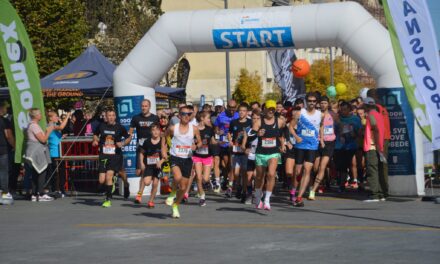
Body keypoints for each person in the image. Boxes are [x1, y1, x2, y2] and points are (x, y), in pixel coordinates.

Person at [164, 105, 202, 218]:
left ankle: (175, 205)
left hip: (187, 159)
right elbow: (164, 137)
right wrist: (163, 150)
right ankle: (172, 194)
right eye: (184, 114)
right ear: (179, 116)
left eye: (189, 114)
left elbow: (199, 142)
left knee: (184, 187)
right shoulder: (173, 128)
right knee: (177, 177)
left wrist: (196, 146)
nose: (187, 116)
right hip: (175, 156)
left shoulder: (194, 128)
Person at [249, 100, 286, 210]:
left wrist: (283, 144)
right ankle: (257, 198)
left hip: (273, 152)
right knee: (259, 177)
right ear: (264, 110)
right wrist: (257, 133)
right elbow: (250, 135)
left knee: (271, 174)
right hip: (261, 153)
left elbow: (283, 133)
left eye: (273, 109)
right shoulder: (259, 122)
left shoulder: (279, 121)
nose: (271, 111)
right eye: (269, 109)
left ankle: (267, 200)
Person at [93, 109, 132, 208]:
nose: (110, 117)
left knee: (112, 175)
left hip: (115, 155)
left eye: (112, 115)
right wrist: (95, 140)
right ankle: (113, 183)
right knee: (101, 180)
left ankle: (108, 198)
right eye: (109, 115)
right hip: (104, 154)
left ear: (115, 116)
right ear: (106, 117)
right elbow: (95, 135)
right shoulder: (101, 126)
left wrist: (122, 143)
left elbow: (129, 137)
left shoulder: (120, 127)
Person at [290, 92, 323, 207]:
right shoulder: (300, 113)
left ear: (316, 102)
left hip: (312, 146)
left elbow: (321, 126)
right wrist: (296, 137)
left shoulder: (320, 114)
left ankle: (299, 197)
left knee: (307, 170)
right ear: (306, 101)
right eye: (310, 101)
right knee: (298, 171)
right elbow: (290, 127)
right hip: (300, 146)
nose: (312, 103)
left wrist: (321, 139)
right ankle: (293, 189)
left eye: (314, 101)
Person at [129, 99, 160, 203]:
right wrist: (127, 139)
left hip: (153, 149)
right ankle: (139, 194)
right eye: (142, 106)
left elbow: (159, 131)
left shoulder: (155, 118)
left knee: (152, 178)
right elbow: (130, 131)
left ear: (149, 107)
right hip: (142, 148)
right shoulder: (136, 118)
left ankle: (149, 198)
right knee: (141, 170)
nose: (144, 107)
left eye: (146, 106)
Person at [24, 108, 55, 202]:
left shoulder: (32, 125)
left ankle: (34, 194)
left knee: (35, 172)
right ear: (36, 116)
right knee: (42, 171)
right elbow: (43, 139)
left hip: (34, 151)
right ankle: (40, 193)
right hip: (37, 152)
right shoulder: (34, 126)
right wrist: (49, 131)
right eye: (40, 114)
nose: (41, 115)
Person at [308, 96, 336, 200]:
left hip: (329, 143)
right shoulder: (317, 114)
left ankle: (313, 191)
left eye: (325, 103)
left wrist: (341, 134)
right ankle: (313, 185)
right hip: (318, 142)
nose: (323, 105)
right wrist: (321, 140)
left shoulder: (333, 115)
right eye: (322, 103)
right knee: (314, 167)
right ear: (319, 104)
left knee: (322, 167)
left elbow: (340, 124)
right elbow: (319, 126)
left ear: (328, 104)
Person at [333, 101, 362, 192]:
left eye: (345, 109)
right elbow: (333, 131)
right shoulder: (337, 119)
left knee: (352, 165)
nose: (343, 111)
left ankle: (348, 184)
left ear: (349, 110)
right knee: (339, 165)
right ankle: (342, 183)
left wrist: (354, 133)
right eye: (341, 110)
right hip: (338, 146)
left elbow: (360, 132)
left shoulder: (355, 119)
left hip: (351, 146)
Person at [367, 89, 390, 198]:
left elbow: (376, 127)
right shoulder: (383, 108)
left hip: (379, 140)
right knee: (382, 166)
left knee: (376, 166)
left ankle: (380, 192)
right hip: (384, 138)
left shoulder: (375, 109)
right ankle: (383, 191)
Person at [363, 97, 386, 202]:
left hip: (372, 146)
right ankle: (381, 194)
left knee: (372, 170)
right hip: (379, 145)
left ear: (366, 106)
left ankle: (374, 195)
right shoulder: (378, 114)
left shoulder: (371, 115)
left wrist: (376, 144)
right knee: (380, 170)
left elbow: (375, 129)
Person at [228, 103, 252, 200]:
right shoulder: (234, 122)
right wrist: (230, 140)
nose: (241, 112)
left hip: (246, 151)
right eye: (240, 110)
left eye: (244, 111)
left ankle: (244, 191)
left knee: (245, 172)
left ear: (247, 112)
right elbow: (229, 133)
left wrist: (249, 147)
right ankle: (239, 186)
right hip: (236, 150)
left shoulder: (250, 123)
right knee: (236, 173)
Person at [192, 111, 217, 206]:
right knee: (198, 177)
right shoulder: (194, 129)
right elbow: (190, 140)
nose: (209, 120)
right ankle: (202, 197)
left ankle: (204, 185)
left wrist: (220, 143)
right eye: (208, 118)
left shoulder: (210, 129)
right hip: (197, 156)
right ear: (202, 118)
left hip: (207, 156)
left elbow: (213, 141)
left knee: (205, 179)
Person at [139, 123, 166, 208]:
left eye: (157, 130)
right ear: (151, 132)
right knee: (147, 182)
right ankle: (142, 192)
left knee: (155, 184)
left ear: (160, 131)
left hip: (158, 167)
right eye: (153, 130)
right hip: (149, 166)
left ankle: (151, 201)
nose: (155, 132)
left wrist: (160, 162)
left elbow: (165, 156)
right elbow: (141, 153)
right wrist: (142, 163)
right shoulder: (147, 141)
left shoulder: (162, 141)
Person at [214, 99, 238, 193]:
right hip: (224, 143)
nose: (232, 110)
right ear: (227, 107)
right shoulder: (221, 116)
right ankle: (226, 178)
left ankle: (231, 183)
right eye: (230, 108)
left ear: (236, 107)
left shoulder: (238, 115)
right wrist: (218, 132)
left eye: (234, 108)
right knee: (225, 164)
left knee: (231, 164)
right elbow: (216, 128)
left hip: (234, 143)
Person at [46, 111, 71, 197]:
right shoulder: (50, 125)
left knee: (62, 172)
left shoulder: (54, 126)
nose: (57, 118)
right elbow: (61, 127)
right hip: (54, 153)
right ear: (50, 118)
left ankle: (61, 189)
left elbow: (55, 137)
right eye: (55, 116)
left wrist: (61, 137)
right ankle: (55, 189)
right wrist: (67, 116)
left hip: (60, 152)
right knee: (55, 173)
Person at [241, 109, 260, 204]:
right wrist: (245, 150)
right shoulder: (247, 130)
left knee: (257, 175)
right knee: (249, 176)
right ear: (251, 119)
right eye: (254, 118)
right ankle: (249, 194)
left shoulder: (263, 129)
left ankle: (257, 194)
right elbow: (243, 145)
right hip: (251, 155)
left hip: (260, 155)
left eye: (258, 118)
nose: (255, 120)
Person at [0, 109, 15, 205]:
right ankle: (4, 192)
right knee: (3, 171)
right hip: (2, 148)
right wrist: (14, 146)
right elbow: (8, 135)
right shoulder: (4, 121)